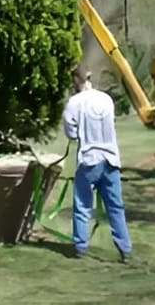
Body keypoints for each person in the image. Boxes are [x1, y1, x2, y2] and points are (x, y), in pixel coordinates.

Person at [62, 68, 132, 263]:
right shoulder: (106, 99)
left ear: (76, 81)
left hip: (89, 159)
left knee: (83, 205)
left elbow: (71, 133)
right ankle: (124, 248)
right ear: (90, 77)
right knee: (115, 207)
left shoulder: (74, 103)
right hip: (111, 159)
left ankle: (80, 247)